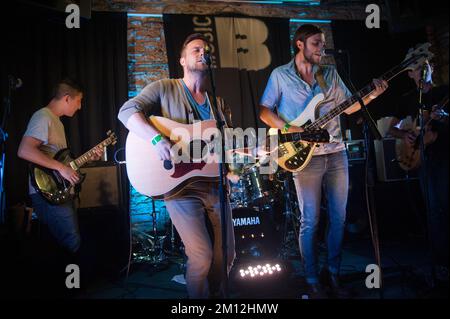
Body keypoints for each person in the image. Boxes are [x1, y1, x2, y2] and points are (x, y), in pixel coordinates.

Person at [259, 24, 388, 298]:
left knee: (339, 218)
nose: (322, 47)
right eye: (316, 43)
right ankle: (311, 278)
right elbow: (264, 112)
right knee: (311, 220)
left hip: (336, 152)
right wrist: (294, 130)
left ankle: (334, 273)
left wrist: (373, 94)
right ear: (300, 44)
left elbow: (350, 106)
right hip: (303, 157)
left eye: (323, 42)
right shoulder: (280, 75)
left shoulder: (329, 73)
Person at [118, 33, 236, 299]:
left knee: (227, 255)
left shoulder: (217, 104)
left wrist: (234, 167)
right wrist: (157, 138)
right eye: (196, 50)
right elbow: (127, 111)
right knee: (202, 255)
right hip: (180, 189)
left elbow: (222, 149)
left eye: (206, 50)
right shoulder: (164, 88)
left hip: (215, 187)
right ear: (182, 59)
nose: (202, 53)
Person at [17, 78, 103, 293]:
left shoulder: (56, 121)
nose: (80, 106)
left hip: (59, 192)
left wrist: (85, 160)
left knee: (69, 241)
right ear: (67, 98)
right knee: (71, 242)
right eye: (79, 101)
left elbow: (61, 163)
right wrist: (62, 169)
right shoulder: (42, 117)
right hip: (46, 194)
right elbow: (24, 151)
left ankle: (69, 287)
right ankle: (71, 289)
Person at [387, 60, 448, 284]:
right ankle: (440, 264)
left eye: (425, 67)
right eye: (415, 70)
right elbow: (390, 128)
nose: (421, 72)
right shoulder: (406, 99)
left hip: (445, 156)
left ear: (431, 68)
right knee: (434, 211)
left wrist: (444, 117)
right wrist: (405, 135)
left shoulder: (444, 92)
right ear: (410, 75)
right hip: (424, 160)